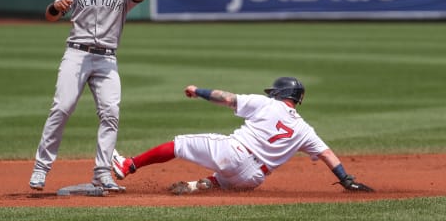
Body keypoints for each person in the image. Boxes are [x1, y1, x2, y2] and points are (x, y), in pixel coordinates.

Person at [112, 77, 374, 194]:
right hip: (253, 178)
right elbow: (327, 154)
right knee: (220, 180)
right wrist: (346, 180)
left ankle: (128, 165)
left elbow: (226, 98)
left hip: (234, 153)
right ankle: (196, 186)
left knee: (179, 144)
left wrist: (198, 90)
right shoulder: (305, 129)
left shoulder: (266, 104)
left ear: (279, 94)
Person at [28, 0, 148, 191]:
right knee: (61, 108)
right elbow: (50, 15)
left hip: (107, 59)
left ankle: (103, 173)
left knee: (111, 113)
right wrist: (55, 7)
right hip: (76, 54)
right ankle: (41, 168)